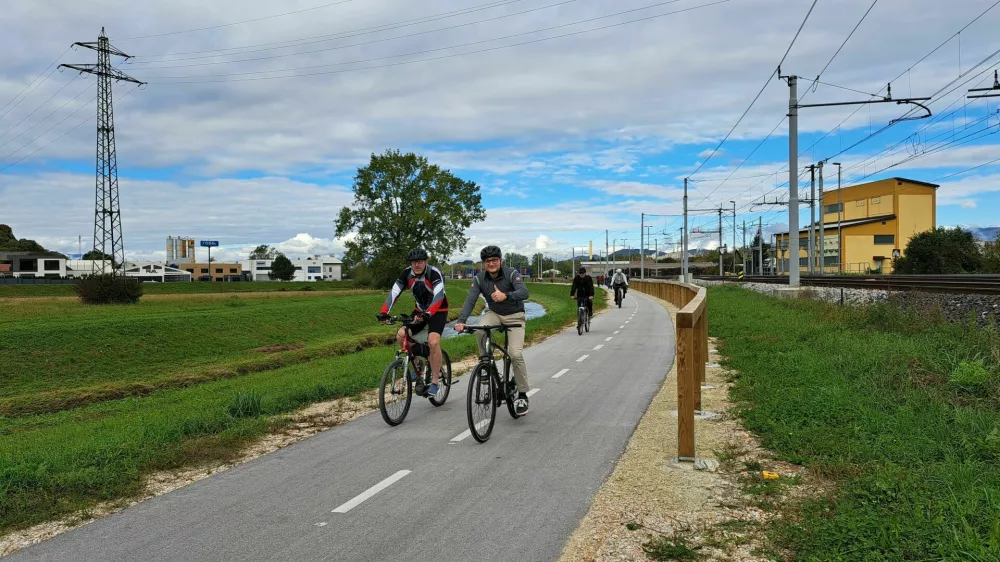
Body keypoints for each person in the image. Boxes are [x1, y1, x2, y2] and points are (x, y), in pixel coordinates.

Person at [454, 245, 532, 415]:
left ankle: (522, 394)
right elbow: (471, 300)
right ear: (484, 263)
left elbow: (524, 292)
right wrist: (461, 321)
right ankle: (485, 364)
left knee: (515, 354)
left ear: (500, 261)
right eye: (487, 261)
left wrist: (506, 295)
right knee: (481, 330)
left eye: (494, 260)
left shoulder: (511, 273)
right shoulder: (479, 278)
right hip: (494, 313)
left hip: (515, 316)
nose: (491, 263)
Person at [376, 248, 448, 397]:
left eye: (420, 261)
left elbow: (439, 295)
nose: (417, 265)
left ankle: (435, 383)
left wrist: (429, 313)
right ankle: (419, 362)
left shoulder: (433, 273)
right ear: (410, 263)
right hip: (419, 311)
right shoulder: (406, 274)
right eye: (414, 262)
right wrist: (384, 312)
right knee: (401, 335)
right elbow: (394, 292)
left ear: (426, 261)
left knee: (433, 341)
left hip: (438, 311)